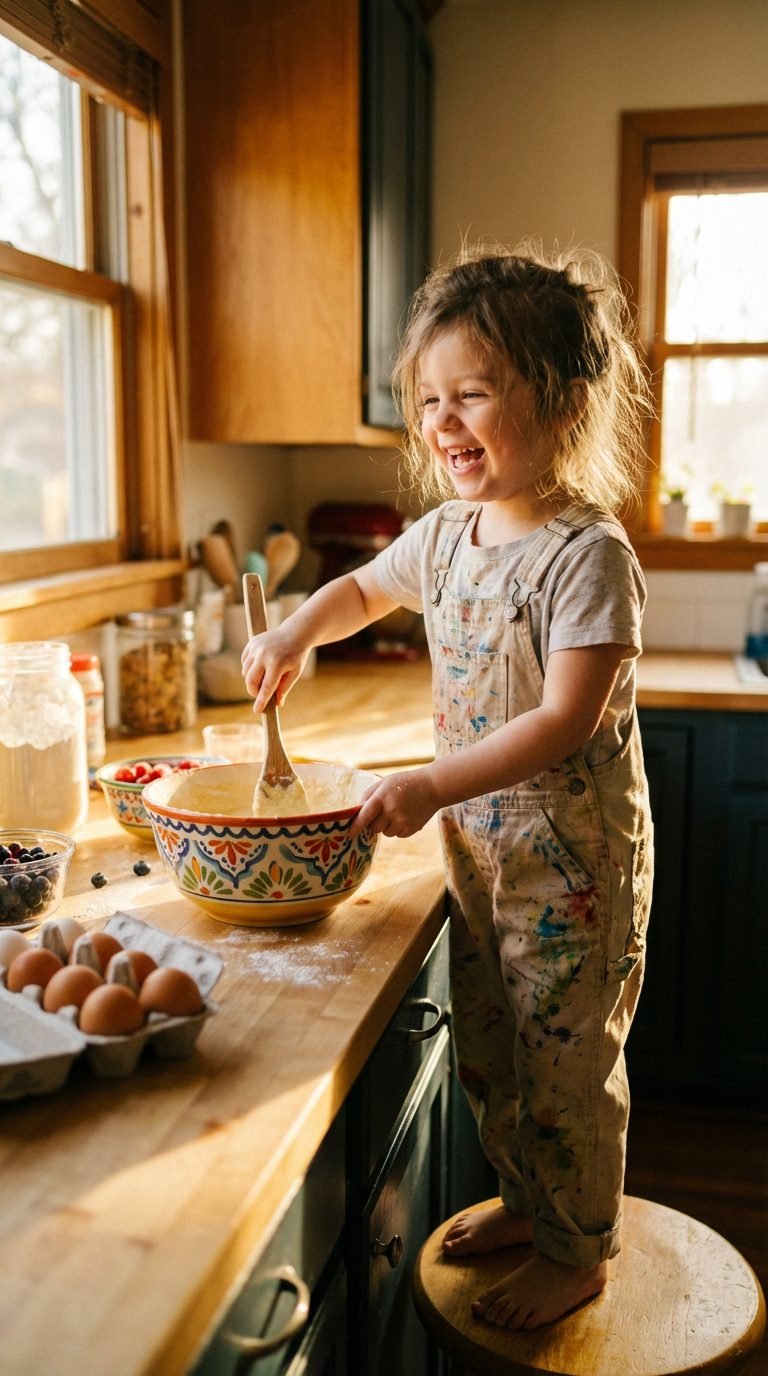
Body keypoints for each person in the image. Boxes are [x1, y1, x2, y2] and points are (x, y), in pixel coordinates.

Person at [241, 243, 654, 1331]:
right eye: (429, 399)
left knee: (567, 1067)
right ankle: (529, 1203)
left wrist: (427, 781)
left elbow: (564, 719)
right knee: (495, 1054)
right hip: (478, 854)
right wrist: (292, 628)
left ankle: (580, 1250)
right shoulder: (447, 536)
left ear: (565, 401)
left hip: (573, 875)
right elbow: (360, 588)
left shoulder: (585, 555)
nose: (444, 421)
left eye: (474, 393)